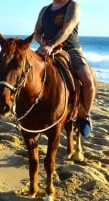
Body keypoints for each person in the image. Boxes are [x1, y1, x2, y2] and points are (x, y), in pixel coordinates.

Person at [34, 0, 95, 137]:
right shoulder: (44, 10)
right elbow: (37, 33)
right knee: (26, 71)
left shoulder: (72, 6)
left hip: (70, 49)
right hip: (46, 48)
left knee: (88, 81)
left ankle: (84, 115)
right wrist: (45, 44)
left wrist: (52, 45)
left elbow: (66, 30)